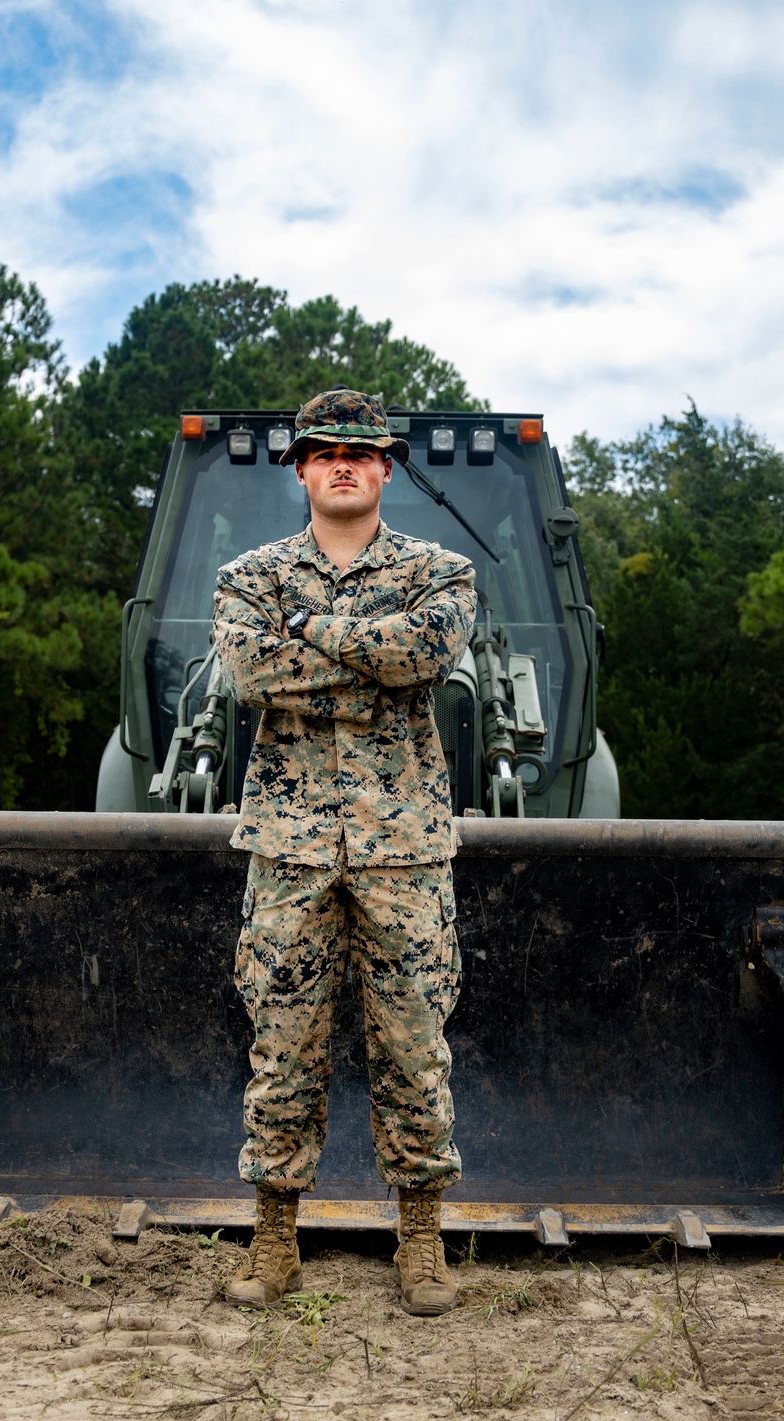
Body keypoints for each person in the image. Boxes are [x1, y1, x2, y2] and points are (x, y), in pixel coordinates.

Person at [212, 388, 476, 1317]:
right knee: (282, 1045)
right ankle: (275, 1242)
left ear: (385, 467)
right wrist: (372, 660)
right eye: (324, 451)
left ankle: (421, 1242)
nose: (342, 464)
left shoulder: (442, 571)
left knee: (413, 1045)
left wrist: (316, 636)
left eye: (360, 453)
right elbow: (250, 671)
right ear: (300, 469)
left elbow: (425, 655)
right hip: (289, 851)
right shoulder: (250, 576)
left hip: (403, 850)